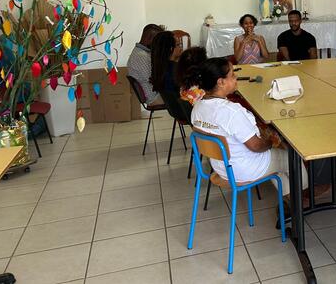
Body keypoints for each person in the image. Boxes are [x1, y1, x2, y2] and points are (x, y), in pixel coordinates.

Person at [184, 57, 307, 198]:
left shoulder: (197, 108)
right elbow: (256, 146)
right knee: (291, 156)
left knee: (277, 164)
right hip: (243, 169)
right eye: (232, 75)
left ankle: (288, 199)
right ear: (221, 82)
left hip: (222, 167)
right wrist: (270, 142)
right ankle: (304, 197)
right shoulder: (231, 111)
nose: (236, 77)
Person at [127, 23, 163, 104]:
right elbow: (155, 80)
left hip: (154, 94)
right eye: (157, 41)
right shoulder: (141, 56)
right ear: (149, 38)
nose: (158, 44)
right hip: (154, 97)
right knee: (185, 96)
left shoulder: (140, 52)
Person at [150, 31, 183, 95]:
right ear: (171, 48)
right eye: (178, 45)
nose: (181, 48)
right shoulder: (173, 70)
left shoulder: (160, 66)